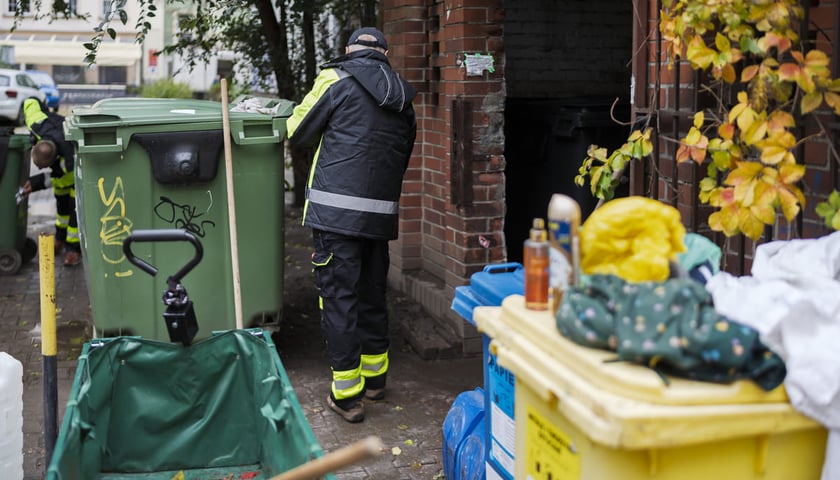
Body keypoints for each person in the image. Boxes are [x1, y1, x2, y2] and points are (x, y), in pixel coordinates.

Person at [286, 27, 417, 423]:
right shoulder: (403, 97)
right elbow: (402, 153)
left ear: (348, 50)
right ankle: (376, 382)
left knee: (339, 299)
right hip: (379, 215)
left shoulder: (336, 79)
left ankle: (346, 396)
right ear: (385, 53)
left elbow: (297, 129)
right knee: (372, 294)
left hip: (335, 216)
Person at [21, 98, 81, 266]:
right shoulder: (36, 123)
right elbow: (29, 102)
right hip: (53, 128)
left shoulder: (69, 160)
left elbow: (57, 177)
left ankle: (73, 250)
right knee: (61, 211)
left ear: (56, 157)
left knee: (73, 213)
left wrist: (35, 183)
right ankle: (60, 239)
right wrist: (43, 108)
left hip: (76, 180)